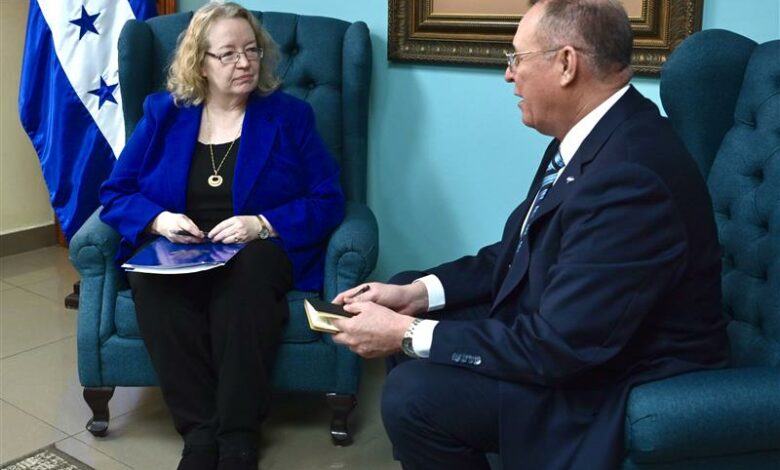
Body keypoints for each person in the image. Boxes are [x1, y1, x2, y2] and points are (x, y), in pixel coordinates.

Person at [331, 0, 728, 469]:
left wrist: (406, 333)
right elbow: (521, 250)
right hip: (564, 325)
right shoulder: (591, 134)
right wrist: (416, 294)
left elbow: (561, 347)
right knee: (407, 294)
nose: (508, 75)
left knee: (412, 393)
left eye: (517, 58)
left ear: (566, 64)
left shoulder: (630, 175)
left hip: (611, 370)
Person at [99, 3, 345, 469]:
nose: (244, 62)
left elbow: (328, 199)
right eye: (228, 54)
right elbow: (116, 192)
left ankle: (238, 437)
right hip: (181, 248)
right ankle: (199, 434)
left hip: (258, 249)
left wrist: (263, 224)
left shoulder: (289, 116)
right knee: (151, 281)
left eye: (252, 50)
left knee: (245, 277)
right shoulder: (163, 114)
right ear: (200, 63)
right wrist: (159, 221)